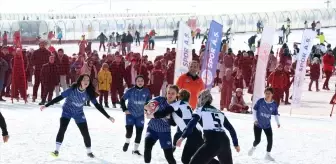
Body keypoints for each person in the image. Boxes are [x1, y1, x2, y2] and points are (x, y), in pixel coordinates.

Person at [40, 74, 115, 158]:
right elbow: (59, 97)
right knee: (62, 129)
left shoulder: (89, 93)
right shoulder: (72, 89)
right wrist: (46, 105)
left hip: (78, 113)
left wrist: (108, 116)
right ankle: (56, 151)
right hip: (67, 111)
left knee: (85, 133)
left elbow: (97, 106)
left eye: (88, 80)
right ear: (80, 81)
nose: (86, 82)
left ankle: (89, 152)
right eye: (84, 80)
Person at [176, 89, 240, 164]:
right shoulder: (219, 112)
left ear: (201, 99)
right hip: (225, 141)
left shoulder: (200, 109)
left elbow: (191, 124)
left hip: (212, 140)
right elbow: (231, 129)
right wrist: (236, 144)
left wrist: (182, 137)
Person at [171, 89, 219, 164]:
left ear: (179, 97)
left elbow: (181, 129)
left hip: (194, 136)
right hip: (196, 135)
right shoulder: (187, 107)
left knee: (193, 159)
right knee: (187, 159)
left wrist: (174, 145)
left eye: (178, 96)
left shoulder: (179, 107)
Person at [143, 85, 179, 164]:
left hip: (165, 132)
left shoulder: (176, 106)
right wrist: (147, 109)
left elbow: (174, 124)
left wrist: (168, 117)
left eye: (173, 93)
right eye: (168, 93)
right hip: (152, 129)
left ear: (177, 94)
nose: (170, 95)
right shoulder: (159, 99)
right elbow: (146, 105)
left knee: (169, 156)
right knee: (147, 147)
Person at [120, 75, 151, 155]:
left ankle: (135, 150)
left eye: (142, 81)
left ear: (144, 82)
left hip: (140, 115)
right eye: (138, 81)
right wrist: (125, 109)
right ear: (135, 82)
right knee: (129, 132)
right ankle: (127, 142)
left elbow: (149, 102)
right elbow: (122, 100)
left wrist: (147, 109)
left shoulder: (146, 91)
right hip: (130, 114)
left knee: (139, 133)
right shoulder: (130, 90)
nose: (140, 82)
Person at [248, 87, 280, 161]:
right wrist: (255, 120)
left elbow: (275, 114)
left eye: (269, 93)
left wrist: (278, 122)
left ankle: (267, 155)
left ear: (272, 94)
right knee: (257, 140)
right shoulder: (260, 101)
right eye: (266, 93)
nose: (267, 95)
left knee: (270, 139)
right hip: (258, 124)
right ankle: (253, 147)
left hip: (267, 125)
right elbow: (254, 110)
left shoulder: (274, 104)